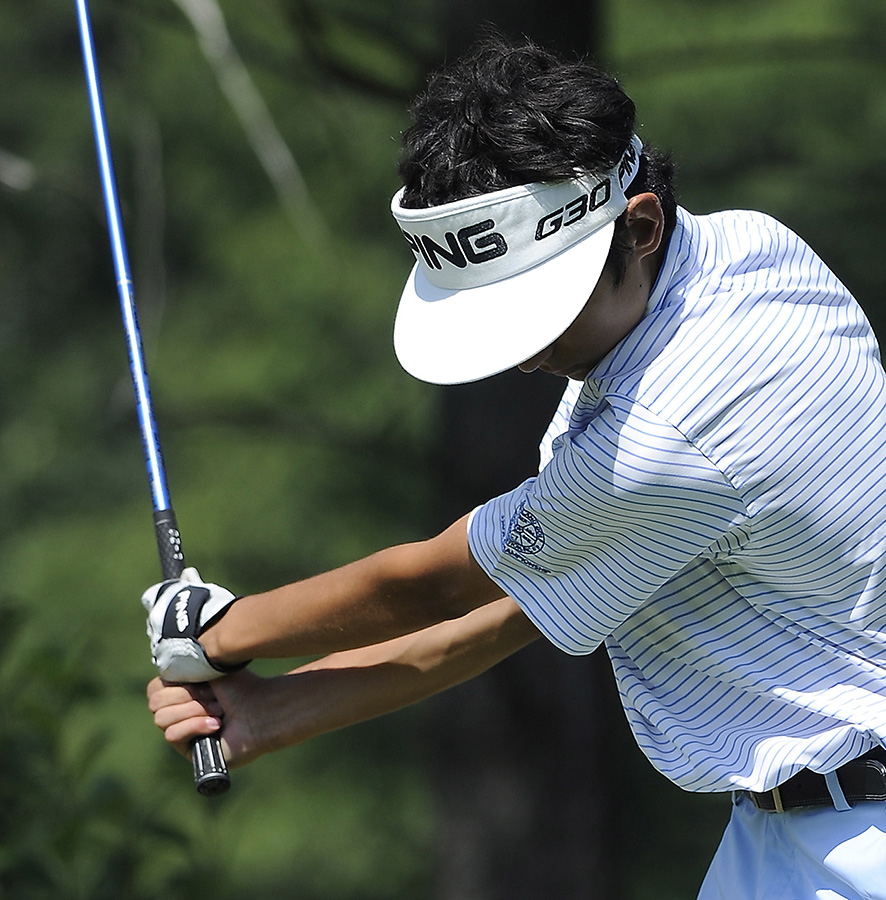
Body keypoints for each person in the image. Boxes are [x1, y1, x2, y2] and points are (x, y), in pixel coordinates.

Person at [143, 36, 886, 899]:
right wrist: (280, 709)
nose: (525, 355)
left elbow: (436, 584)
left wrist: (215, 629)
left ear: (640, 225)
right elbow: (528, 601)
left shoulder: (671, 428)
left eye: (542, 311)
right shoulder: (746, 253)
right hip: (794, 827)